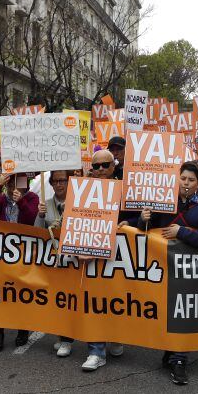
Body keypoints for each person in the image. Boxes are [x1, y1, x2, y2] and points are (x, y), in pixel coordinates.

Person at [121, 162, 198, 385]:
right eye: (183, 178)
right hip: (163, 270)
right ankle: (171, 352)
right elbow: (148, 228)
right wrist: (141, 220)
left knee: (181, 313)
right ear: (177, 179)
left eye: (191, 180)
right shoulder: (164, 204)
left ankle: (179, 359)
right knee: (166, 313)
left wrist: (180, 232)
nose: (186, 183)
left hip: (189, 272)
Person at [0, 172, 39, 352]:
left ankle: (22, 328)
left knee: (21, 292)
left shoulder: (32, 198)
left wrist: (21, 201)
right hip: (3, 252)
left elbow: (31, 218)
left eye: (17, 184)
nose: (13, 189)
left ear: (25, 185)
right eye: (10, 185)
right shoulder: (2, 198)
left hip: (23, 253)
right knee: (1, 293)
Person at [81, 149, 124, 371]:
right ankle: (96, 351)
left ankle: (116, 337)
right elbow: (73, 220)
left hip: (118, 256)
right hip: (90, 256)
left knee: (116, 300)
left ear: (113, 166)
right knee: (93, 302)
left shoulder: (125, 188)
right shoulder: (82, 190)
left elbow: (136, 215)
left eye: (104, 165)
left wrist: (130, 223)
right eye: (95, 166)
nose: (100, 170)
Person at [34, 170, 75, 357]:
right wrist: (40, 216)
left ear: (69, 182)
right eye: (55, 181)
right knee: (60, 301)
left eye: (63, 180)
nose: (59, 184)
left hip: (74, 261)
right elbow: (37, 232)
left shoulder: (78, 204)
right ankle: (64, 338)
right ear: (50, 184)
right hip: (54, 262)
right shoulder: (46, 205)